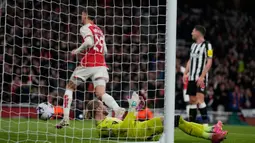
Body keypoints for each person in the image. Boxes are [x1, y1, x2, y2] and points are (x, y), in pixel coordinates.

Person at [56, 7, 125, 128]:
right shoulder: (99, 30)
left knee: (70, 88)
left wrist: (77, 51)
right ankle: (118, 109)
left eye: (82, 15)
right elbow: (105, 50)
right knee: (100, 93)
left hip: (89, 63)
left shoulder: (85, 28)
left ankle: (66, 118)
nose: (81, 17)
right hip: (101, 64)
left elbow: (88, 42)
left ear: (85, 15)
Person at [85, 92, 227, 142]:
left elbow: (122, 128)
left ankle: (212, 129)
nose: (105, 106)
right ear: (98, 109)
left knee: (175, 119)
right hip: (140, 132)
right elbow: (125, 128)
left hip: (140, 129)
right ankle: (210, 136)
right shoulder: (102, 126)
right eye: (102, 105)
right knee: (175, 120)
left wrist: (132, 109)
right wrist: (132, 107)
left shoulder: (104, 123)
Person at [183, 25, 213, 123]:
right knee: (192, 101)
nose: (192, 33)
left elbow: (209, 62)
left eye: (193, 31)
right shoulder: (193, 45)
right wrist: (185, 73)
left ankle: (205, 124)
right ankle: (192, 124)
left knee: (200, 100)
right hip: (191, 77)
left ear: (198, 32)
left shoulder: (207, 45)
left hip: (200, 78)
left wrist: (202, 77)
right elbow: (190, 60)